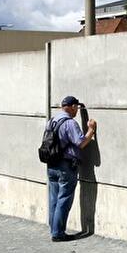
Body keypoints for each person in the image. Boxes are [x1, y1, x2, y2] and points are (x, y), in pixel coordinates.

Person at [46, 95, 97, 242]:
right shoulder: (70, 123)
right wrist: (91, 130)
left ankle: (54, 229)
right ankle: (58, 233)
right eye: (77, 108)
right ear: (72, 107)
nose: (77, 111)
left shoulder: (52, 121)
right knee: (64, 199)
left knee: (54, 199)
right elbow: (80, 143)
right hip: (66, 166)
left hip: (52, 165)